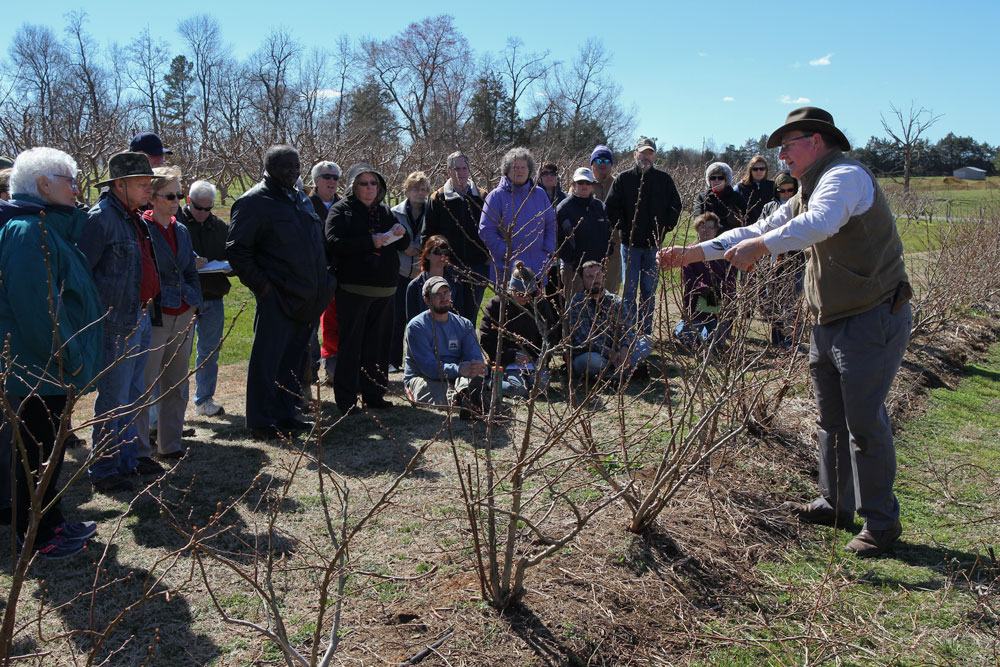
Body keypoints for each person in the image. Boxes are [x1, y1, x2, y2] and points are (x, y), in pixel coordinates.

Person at [658, 107, 912, 557]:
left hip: (871, 316)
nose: (781, 156)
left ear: (816, 140)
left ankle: (881, 522)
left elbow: (818, 225)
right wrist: (693, 253)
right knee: (832, 420)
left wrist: (760, 247)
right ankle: (836, 503)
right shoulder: (808, 190)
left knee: (864, 422)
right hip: (830, 319)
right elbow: (760, 227)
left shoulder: (845, 178)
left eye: (787, 145)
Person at [0, 148, 103, 558]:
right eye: (70, 180)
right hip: (37, 368)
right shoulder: (29, 232)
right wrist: (70, 358)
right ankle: (38, 537)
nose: (77, 189)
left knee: (49, 452)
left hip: (44, 367)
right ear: (44, 185)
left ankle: (53, 521)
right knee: (37, 455)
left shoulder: (46, 228)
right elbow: (40, 310)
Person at [227, 145, 335, 440]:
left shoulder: (300, 199)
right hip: (277, 297)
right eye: (286, 166)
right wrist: (263, 287)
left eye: (297, 166)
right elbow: (238, 251)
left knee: (294, 360)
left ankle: (287, 413)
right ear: (269, 167)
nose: (293, 171)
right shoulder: (254, 202)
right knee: (268, 359)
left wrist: (326, 282)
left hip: (308, 297)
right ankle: (262, 421)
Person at [79, 152, 158, 491]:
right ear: (120, 185)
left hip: (138, 316)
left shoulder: (131, 216)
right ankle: (105, 469)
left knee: (133, 394)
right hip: (115, 324)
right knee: (114, 398)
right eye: (142, 184)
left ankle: (127, 461)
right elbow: (82, 277)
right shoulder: (101, 219)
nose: (148, 191)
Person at [326, 163, 410, 415]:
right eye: (364, 183)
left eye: (374, 183)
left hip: (384, 291)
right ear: (353, 186)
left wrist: (400, 231)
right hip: (354, 290)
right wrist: (369, 242)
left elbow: (403, 243)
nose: (370, 188)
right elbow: (333, 242)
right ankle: (347, 400)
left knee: (378, 346)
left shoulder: (384, 211)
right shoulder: (342, 211)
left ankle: (374, 395)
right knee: (351, 346)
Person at [136, 167, 203, 463]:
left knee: (176, 384)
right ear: (152, 197)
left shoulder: (181, 229)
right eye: (170, 195)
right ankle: (138, 451)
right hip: (155, 315)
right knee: (145, 386)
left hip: (183, 313)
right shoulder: (142, 228)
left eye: (180, 194)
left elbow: (189, 269)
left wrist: (193, 302)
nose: (177, 200)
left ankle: (170, 445)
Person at [605, 137, 682, 336]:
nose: (646, 157)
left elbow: (676, 205)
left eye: (650, 153)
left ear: (654, 155)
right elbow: (610, 207)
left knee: (648, 292)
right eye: (642, 152)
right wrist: (623, 227)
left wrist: (666, 227)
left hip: (653, 247)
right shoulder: (624, 179)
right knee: (629, 292)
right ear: (635, 154)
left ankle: (645, 332)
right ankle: (629, 332)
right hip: (629, 246)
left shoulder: (664, 180)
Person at [402, 277, 488, 417]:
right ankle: (462, 400)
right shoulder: (417, 327)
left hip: (458, 375)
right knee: (433, 388)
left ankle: (467, 396)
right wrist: (459, 369)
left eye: (446, 292)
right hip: (424, 376)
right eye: (438, 294)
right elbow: (429, 368)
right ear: (427, 299)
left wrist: (475, 367)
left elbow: (474, 357)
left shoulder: (464, 324)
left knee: (471, 380)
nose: (444, 298)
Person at [182, 180, 230, 417]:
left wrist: (229, 266)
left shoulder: (219, 227)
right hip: (184, 299)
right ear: (188, 201)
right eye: (198, 208)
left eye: (208, 209)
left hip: (212, 294)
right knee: (179, 354)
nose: (203, 213)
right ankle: (173, 405)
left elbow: (230, 255)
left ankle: (204, 400)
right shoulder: (176, 224)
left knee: (209, 351)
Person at [425, 151, 489, 323]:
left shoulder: (482, 197)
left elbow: (492, 229)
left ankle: (468, 349)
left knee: (472, 314)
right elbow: (429, 233)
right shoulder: (438, 198)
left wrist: (487, 258)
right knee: (451, 313)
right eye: (456, 168)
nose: (461, 172)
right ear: (448, 171)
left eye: (464, 168)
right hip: (449, 267)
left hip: (478, 267)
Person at [479, 261, 559, 397]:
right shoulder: (497, 305)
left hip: (533, 361)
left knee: (540, 389)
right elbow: (487, 339)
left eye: (529, 293)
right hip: (507, 362)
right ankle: (492, 382)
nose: (525, 297)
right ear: (511, 289)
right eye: (520, 293)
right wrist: (511, 356)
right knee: (516, 390)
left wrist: (538, 355)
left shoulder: (540, 305)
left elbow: (551, 334)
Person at [479, 147, 557, 286]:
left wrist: (547, 251)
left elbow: (550, 223)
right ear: (507, 170)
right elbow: (486, 230)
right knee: (509, 307)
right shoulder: (496, 197)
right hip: (507, 270)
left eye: (523, 167)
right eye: (515, 167)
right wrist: (508, 254)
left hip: (537, 267)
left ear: (529, 170)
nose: (520, 170)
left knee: (536, 307)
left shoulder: (539, 194)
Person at [567, 261, 653, 381]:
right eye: (590, 277)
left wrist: (624, 348)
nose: (595, 280)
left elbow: (627, 329)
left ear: (603, 276)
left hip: (617, 353)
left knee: (647, 341)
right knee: (591, 361)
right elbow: (584, 339)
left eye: (598, 275)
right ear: (583, 280)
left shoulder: (616, 301)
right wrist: (609, 353)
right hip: (593, 354)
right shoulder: (577, 303)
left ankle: (616, 372)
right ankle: (625, 370)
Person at [673, 213, 736, 349]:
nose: (706, 231)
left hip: (718, 303)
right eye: (702, 227)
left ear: (716, 230)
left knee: (716, 344)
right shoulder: (689, 252)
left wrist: (727, 296)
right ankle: (682, 328)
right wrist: (709, 291)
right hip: (696, 301)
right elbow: (690, 280)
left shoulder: (722, 253)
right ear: (697, 229)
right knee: (693, 342)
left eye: (710, 228)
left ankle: (709, 332)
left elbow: (730, 278)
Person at [390, 171, 430, 370]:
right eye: (415, 188)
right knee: (396, 318)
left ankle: (417, 361)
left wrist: (423, 249)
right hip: (399, 270)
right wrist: (403, 247)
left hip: (422, 273)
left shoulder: (432, 211)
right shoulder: (394, 212)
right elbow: (388, 238)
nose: (419, 193)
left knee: (420, 319)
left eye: (423, 189)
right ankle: (393, 361)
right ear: (406, 190)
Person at [760, 173, 804, 347]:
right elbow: (762, 229)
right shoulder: (769, 207)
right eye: (782, 190)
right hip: (773, 261)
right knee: (774, 302)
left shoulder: (801, 206)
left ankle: (793, 341)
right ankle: (777, 341)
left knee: (792, 302)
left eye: (790, 190)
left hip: (796, 260)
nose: (786, 194)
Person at [308, 161, 341, 384]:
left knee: (335, 321)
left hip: (340, 272)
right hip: (312, 274)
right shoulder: (304, 205)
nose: (331, 181)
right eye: (326, 177)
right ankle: (308, 373)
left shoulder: (344, 205)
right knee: (309, 325)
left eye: (335, 178)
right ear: (315, 181)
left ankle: (334, 368)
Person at [556, 167, 612, 296]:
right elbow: (558, 239)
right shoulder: (563, 208)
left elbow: (608, 232)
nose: (584, 186)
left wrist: (608, 250)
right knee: (575, 308)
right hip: (574, 269)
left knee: (598, 307)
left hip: (598, 268)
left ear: (592, 186)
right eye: (580, 182)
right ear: (573, 185)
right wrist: (570, 259)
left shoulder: (600, 207)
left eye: (588, 183)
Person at [406, 236, 465, 322]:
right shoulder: (414, 286)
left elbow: (459, 318)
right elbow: (412, 322)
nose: (442, 256)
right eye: (437, 252)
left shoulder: (456, 284)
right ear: (427, 255)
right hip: (424, 332)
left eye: (446, 252)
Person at [590, 145, 621, 293]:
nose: (603, 164)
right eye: (599, 159)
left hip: (613, 245)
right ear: (592, 163)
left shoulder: (619, 184)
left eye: (607, 161)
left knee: (610, 287)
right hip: (589, 244)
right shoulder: (583, 183)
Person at [695, 162, 745, 232]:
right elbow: (698, 218)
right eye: (713, 178)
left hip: (731, 237)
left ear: (726, 180)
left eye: (720, 178)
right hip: (708, 236)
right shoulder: (702, 197)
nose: (716, 180)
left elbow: (746, 217)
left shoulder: (736, 197)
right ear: (709, 180)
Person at [735, 155, 776, 225]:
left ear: (766, 170)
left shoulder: (773, 186)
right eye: (755, 169)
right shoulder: (740, 187)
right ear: (750, 170)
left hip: (770, 226)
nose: (759, 171)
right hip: (748, 227)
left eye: (762, 169)